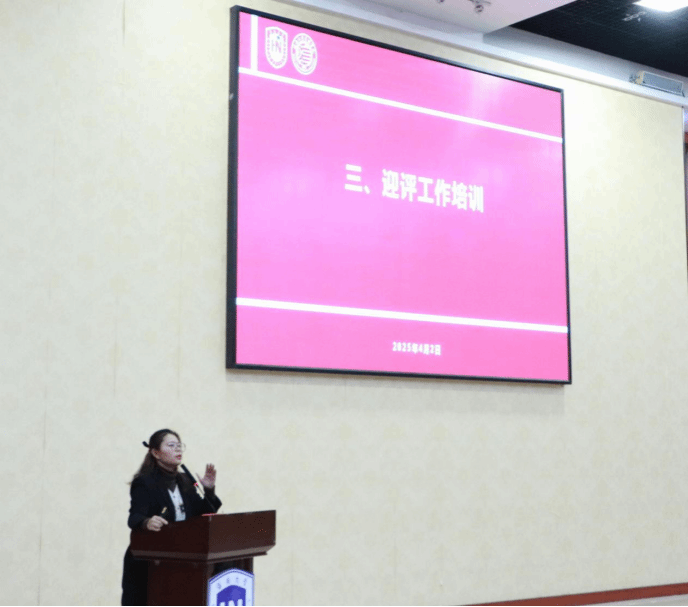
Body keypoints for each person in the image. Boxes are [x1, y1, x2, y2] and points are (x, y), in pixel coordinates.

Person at [121, 429, 222, 606]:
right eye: (171, 445)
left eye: (179, 445)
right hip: (149, 561)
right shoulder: (144, 482)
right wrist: (147, 522)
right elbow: (134, 517)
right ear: (156, 453)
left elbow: (205, 513)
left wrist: (208, 490)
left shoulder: (186, 480)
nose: (178, 449)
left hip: (182, 559)